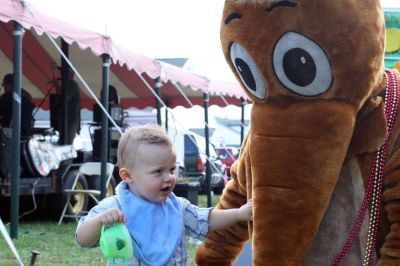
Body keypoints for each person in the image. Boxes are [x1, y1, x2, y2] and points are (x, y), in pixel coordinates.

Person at [76, 124, 253, 265]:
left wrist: (238, 214)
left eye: (172, 169)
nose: (169, 177)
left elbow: (206, 220)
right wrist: (99, 222)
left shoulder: (177, 207)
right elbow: (82, 239)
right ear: (127, 176)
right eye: (158, 172)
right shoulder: (115, 207)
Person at [52, 67, 80, 144]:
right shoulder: (66, 85)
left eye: (63, 73)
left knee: (67, 142)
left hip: (71, 120)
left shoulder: (73, 85)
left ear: (70, 74)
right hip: (64, 118)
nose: (61, 74)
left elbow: (66, 97)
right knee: (62, 141)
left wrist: (57, 86)